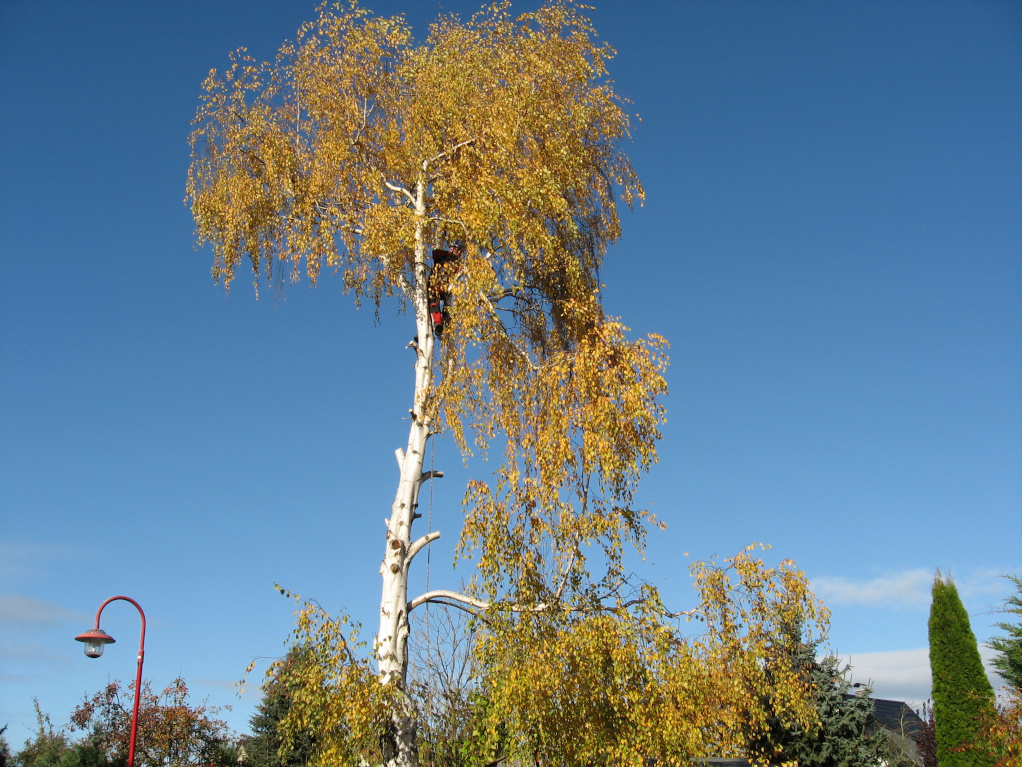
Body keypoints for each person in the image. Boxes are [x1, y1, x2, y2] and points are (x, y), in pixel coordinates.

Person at [428, 240, 463, 338]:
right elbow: (435, 252)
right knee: (432, 304)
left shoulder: (458, 263)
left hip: (445, 287)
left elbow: (460, 271)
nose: (453, 250)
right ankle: (435, 326)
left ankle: (446, 327)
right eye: (452, 248)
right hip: (435, 285)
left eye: (456, 249)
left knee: (447, 308)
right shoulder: (442, 257)